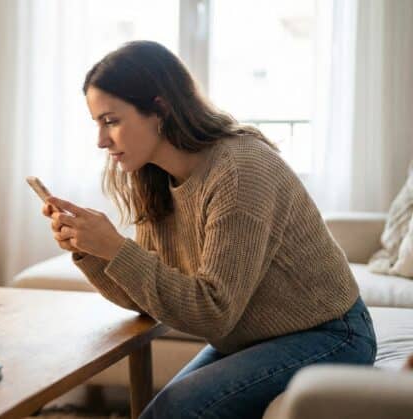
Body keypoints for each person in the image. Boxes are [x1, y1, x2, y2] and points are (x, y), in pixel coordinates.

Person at [41, 41, 376, 419]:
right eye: (97, 123)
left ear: (160, 108)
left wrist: (117, 249)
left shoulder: (239, 171)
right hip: (253, 339)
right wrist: (90, 250)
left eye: (111, 121)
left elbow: (212, 312)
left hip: (330, 335)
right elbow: (149, 298)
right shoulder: (155, 178)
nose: (101, 141)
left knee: (174, 410)